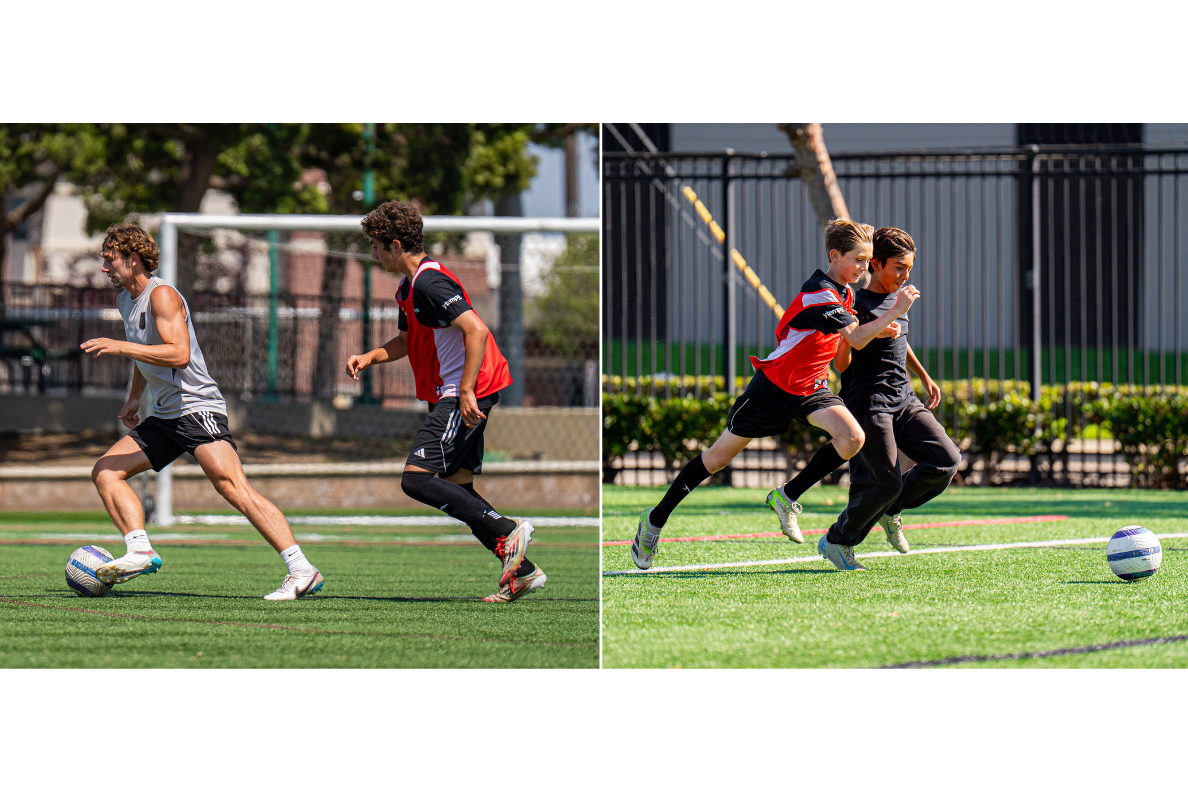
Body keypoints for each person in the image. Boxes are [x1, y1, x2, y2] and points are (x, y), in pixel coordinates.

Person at [631, 218, 918, 570]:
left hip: (812, 387)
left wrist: (877, 330)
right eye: (858, 259)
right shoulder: (820, 295)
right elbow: (856, 337)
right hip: (774, 387)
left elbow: (847, 350)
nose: (863, 267)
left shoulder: (844, 294)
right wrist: (894, 311)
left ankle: (787, 496)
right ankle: (654, 521)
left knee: (852, 437)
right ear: (834, 255)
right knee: (718, 458)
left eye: (867, 260)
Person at [84, 223, 323, 600]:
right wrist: (134, 398)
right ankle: (140, 550)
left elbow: (177, 353)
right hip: (164, 415)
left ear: (133, 259)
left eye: (110, 258)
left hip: (197, 409)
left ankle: (302, 569)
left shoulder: (161, 295)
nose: (104, 267)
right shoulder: (125, 300)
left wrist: (120, 347)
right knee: (106, 472)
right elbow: (145, 355)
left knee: (233, 488)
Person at [346, 200, 540, 603]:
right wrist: (369, 357)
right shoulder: (409, 288)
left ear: (397, 245)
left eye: (377, 247)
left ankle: (506, 531)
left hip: (466, 392)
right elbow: (404, 341)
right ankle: (521, 572)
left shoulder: (431, 284)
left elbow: (477, 330)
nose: (373, 255)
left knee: (416, 479)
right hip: (464, 391)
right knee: (458, 485)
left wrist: (466, 391)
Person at [821, 226, 961, 571]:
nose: (905, 275)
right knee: (884, 482)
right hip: (867, 401)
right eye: (899, 267)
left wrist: (924, 376)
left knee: (946, 461)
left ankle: (890, 510)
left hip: (903, 397)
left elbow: (899, 340)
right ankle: (838, 539)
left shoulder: (898, 298)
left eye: (909, 268)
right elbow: (841, 362)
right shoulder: (855, 302)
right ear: (877, 263)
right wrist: (891, 313)